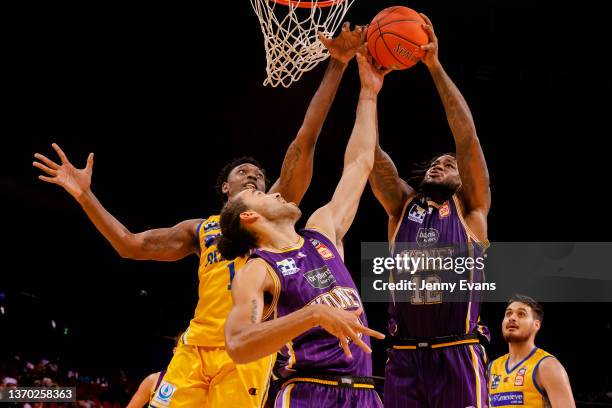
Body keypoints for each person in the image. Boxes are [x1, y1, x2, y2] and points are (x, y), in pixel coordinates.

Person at [32, 24, 366, 408]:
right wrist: (85, 195)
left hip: (245, 350)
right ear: (225, 188)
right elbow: (130, 245)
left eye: (258, 174)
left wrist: (336, 67)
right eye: (243, 172)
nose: (254, 174)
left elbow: (304, 140)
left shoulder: (272, 210)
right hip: (194, 346)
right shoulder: (200, 229)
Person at [217, 45, 388, 408]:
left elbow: (359, 163)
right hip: (309, 391)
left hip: (365, 393)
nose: (274, 193)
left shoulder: (321, 231)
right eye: (259, 195)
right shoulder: (257, 270)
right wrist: (311, 314)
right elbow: (239, 345)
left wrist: (369, 93)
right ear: (248, 216)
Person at [368, 14, 491, 407]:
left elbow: (466, 136)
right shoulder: (403, 207)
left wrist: (434, 66)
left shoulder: (471, 210)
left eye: (449, 163)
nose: (441, 163)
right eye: (436, 161)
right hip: (403, 357)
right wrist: (367, 88)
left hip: (457, 351)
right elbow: (367, 155)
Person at [489, 295, 575, 407]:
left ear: (536, 325)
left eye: (521, 314)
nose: (512, 318)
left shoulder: (547, 366)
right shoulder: (492, 368)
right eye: (508, 314)